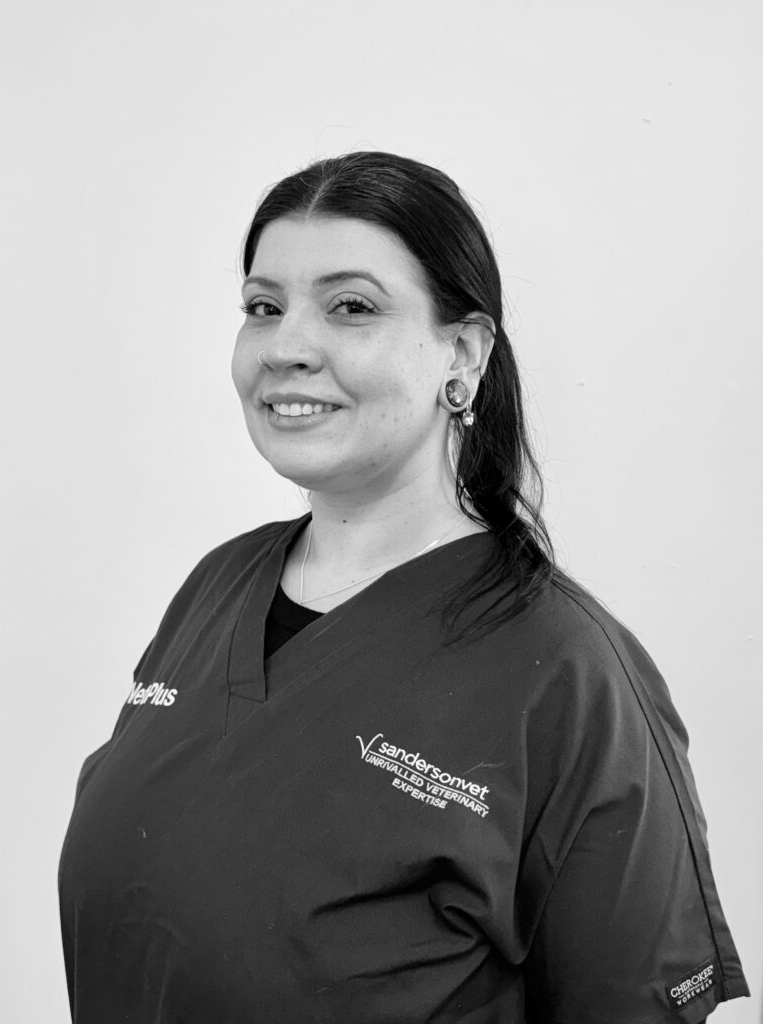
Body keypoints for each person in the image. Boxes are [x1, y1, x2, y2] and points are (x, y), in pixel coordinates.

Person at [58, 151, 749, 1023]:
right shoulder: (215, 587)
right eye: (263, 307)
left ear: (463, 353)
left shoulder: (570, 675)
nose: (286, 348)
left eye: (351, 307)